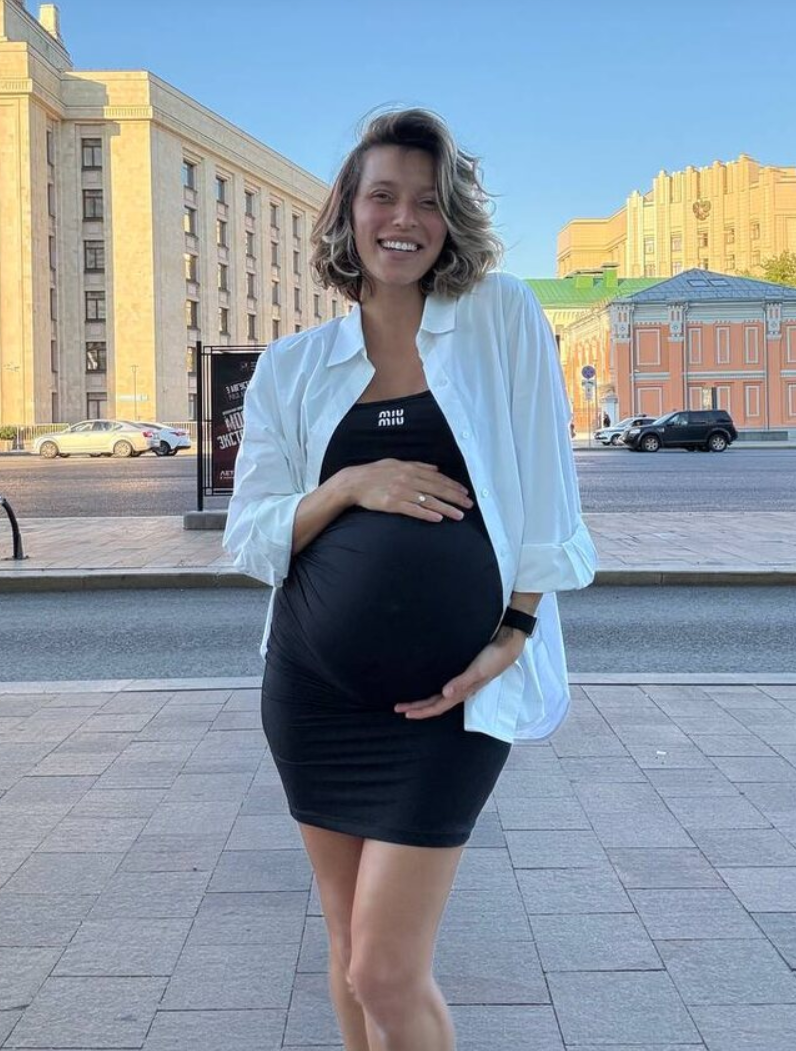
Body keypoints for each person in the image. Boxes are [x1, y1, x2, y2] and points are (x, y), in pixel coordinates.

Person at [224, 108, 597, 1051]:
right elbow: (252, 536)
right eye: (382, 196)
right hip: (314, 693)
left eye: (427, 202)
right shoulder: (293, 368)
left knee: (385, 968)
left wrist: (512, 636)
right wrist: (350, 484)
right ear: (348, 214)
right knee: (348, 945)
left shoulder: (500, 318)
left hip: (453, 702)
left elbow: (550, 499)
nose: (404, 219)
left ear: (451, 220)